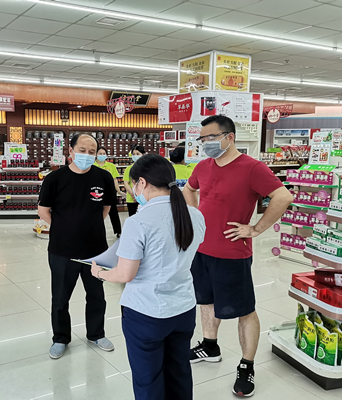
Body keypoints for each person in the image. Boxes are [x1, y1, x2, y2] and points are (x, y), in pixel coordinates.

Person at [184, 115, 293, 397]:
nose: (205, 143)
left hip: (233, 253)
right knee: (206, 301)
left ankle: (247, 365)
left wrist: (256, 228)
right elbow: (189, 189)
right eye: (202, 139)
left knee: (244, 309)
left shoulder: (252, 168)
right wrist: (195, 218)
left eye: (210, 138)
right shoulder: (203, 166)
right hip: (201, 250)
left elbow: (283, 197)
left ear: (229, 137)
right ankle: (210, 346)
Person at [91, 154, 206, 400]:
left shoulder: (138, 222)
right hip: (184, 308)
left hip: (146, 312)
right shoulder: (195, 216)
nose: (133, 190)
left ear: (141, 182)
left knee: (148, 380)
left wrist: (99, 272)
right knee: (179, 371)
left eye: (134, 184)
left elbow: (125, 273)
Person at [38, 133, 117, 359]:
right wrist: (64, 228)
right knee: (60, 297)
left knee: (96, 295)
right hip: (62, 250)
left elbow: (106, 208)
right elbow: (43, 210)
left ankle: (96, 334)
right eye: (82, 150)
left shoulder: (103, 177)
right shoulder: (55, 178)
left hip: (95, 250)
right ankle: (60, 338)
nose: (87, 155)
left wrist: (88, 226)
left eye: (92, 152)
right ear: (71, 151)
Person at [95, 146, 125, 238]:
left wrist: (119, 191)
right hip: (96, 192)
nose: (102, 155)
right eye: (100, 153)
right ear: (96, 154)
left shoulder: (111, 166)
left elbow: (115, 180)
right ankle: (95, 231)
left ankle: (118, 231)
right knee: (96, 213)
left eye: (104, 154)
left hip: (109, 192)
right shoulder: (92, 165)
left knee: (114, 213)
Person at [123, 145, 146, 216]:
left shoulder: (147, 168)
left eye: (138, 154)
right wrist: (133, 195)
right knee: (132, 217)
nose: (135, 156)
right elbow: (126, 183)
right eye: (133, 154)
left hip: (145, 198)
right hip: (131, 199)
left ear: (143, 155)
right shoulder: (128, 169)